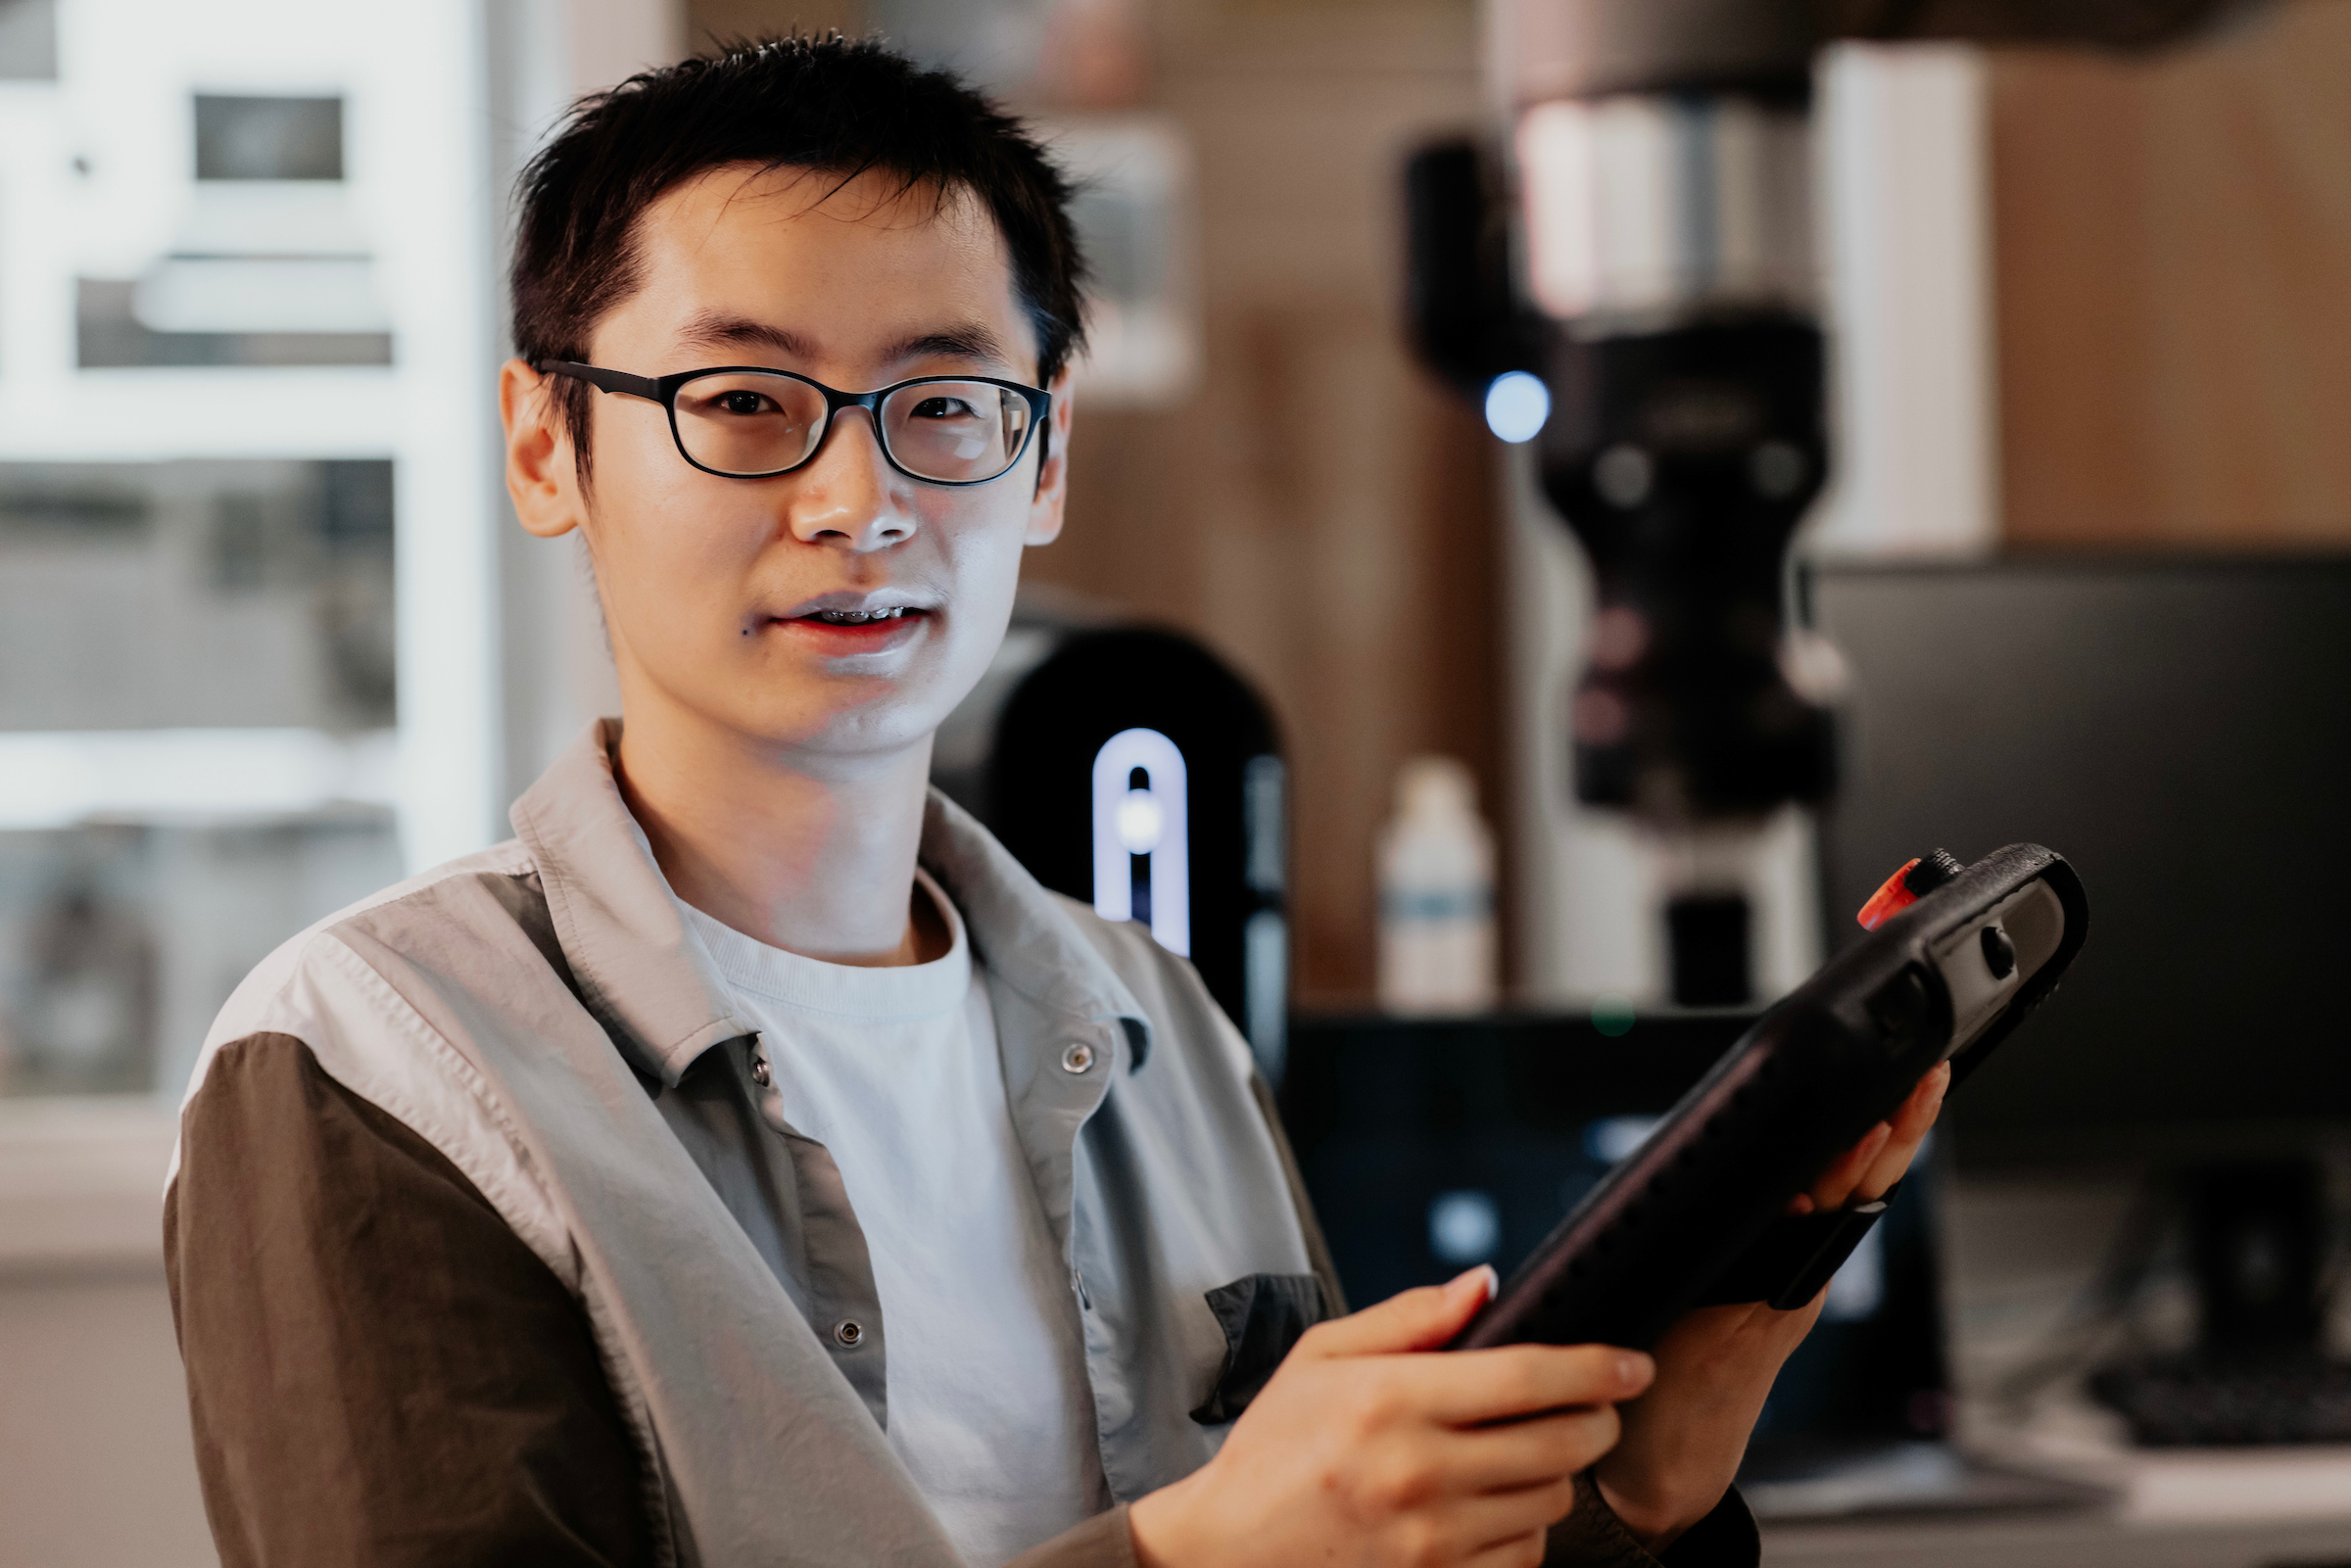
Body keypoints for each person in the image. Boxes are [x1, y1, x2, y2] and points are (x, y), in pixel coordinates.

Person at [164, 34, 1947, 1568]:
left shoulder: (1158, 1021)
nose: (859, 498)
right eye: (742, 398)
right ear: (549, 444)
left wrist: (1658, 1451)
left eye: (945, 403)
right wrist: (1195, 1550)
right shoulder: (375, 1060)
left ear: (1047, 453)